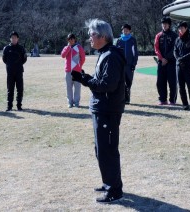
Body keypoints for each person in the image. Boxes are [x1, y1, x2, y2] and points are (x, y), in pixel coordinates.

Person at [71, 19, 125, 204]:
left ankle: (114, 190)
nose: (89, 38)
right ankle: (109, 181)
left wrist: (84, 79)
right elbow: (101, 80)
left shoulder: (111, 56)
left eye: (92, 34)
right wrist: (85, 77)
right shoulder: (105, 54)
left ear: (103, 36)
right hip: (102, 109)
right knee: (101, 149)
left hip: (108, 110)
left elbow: (108, 85)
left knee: (107, 150)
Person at [174, 21, 190, 111]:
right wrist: (178, 59)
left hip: (188, 66)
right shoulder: (177, 39)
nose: (180, 30)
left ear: (186, 28)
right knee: (181, 86)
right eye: (179, 28)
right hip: (178, 66)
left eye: (182, 28)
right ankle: (185, 104)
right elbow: (175, 51)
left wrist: (181, 59)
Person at [154, 17, 178, 105]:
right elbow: (156, 48)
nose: (164, 25)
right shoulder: (158, 35)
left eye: (166, 24)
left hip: (171, 62)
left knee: (172, 82)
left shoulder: (174, 35)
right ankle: (162, 99)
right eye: (163, 24)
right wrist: (161, 58)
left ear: (169, 25)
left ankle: (172, 100)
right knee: (160, 81)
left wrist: (167, 58)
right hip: (161, 62)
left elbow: (174, 48)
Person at [2, 31, 27, 111]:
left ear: (18, 38)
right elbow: (4, 59)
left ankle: (19, 105)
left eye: (15, 37)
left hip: (19, 71)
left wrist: (18, 65)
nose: (14, 39)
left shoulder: (21, 48)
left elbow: (24, 59)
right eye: (12, 37)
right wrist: (10, 65)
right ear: (10, 39)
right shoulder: (6, 48)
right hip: (10, 72)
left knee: (20, 89)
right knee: (10, 89)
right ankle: (9, 106)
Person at [61, 33, 86, 108]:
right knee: (69, 87)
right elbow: (63, 55)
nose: (71, 40)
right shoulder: (66, 47)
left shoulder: (79, 47)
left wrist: (79, 66)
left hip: (77, 71)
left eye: (72, 39)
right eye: (69, 39)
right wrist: (68, 47)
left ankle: (76, 102)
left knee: (77, 87)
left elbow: (83, 58)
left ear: (75, 39)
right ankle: (70, 102)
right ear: (68, 40)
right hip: (68, 71)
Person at [116, 24, 138, 104]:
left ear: (129, 31)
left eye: (127, 30)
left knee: (129, 82)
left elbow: (135, 53)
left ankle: (127, 98)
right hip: (120, 65)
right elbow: (116, 53)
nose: (125, 32)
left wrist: (134, 64)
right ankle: (123, 99)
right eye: (124, 30)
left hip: (129, 66)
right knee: (121, 82)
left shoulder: (132, 40)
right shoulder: (119, 40)